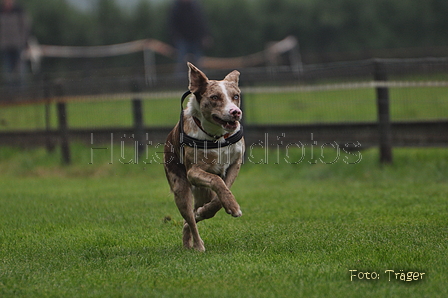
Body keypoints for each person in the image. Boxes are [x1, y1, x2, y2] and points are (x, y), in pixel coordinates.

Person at [168, 0, 210, 75]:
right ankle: (179, 82)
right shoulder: (176, 7)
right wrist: (176, 38)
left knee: (198, 63)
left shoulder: (195, 6)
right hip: (182, 40)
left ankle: (201, 81)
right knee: (181, 62)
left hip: (195, 39)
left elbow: (201, 22)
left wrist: (204, 36)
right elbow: (172, 24)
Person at [0, 0, 30, 86]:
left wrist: (24, 41)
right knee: (8, 72)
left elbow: (26, 27)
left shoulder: (19, 11)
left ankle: (22, 92)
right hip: (5, 46)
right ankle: (11, 94)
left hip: (18, 45)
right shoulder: (1, 11)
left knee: (20, 71)